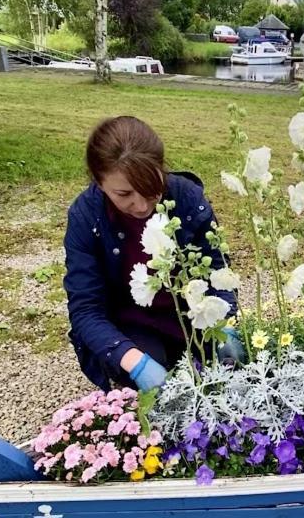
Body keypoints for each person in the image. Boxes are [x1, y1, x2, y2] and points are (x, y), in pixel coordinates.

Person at [63, 115, 243, 393]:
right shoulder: (86, 217)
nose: (141, 205)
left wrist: (226, 323)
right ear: (99, 182)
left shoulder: (187, 199)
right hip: (131, 325)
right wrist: (134, 362)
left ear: (162, 168)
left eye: (151, 189)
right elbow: (85, 310)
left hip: (192, 316)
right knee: (152, 378)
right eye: (124, 194)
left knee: (226, 376)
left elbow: (218, 272)